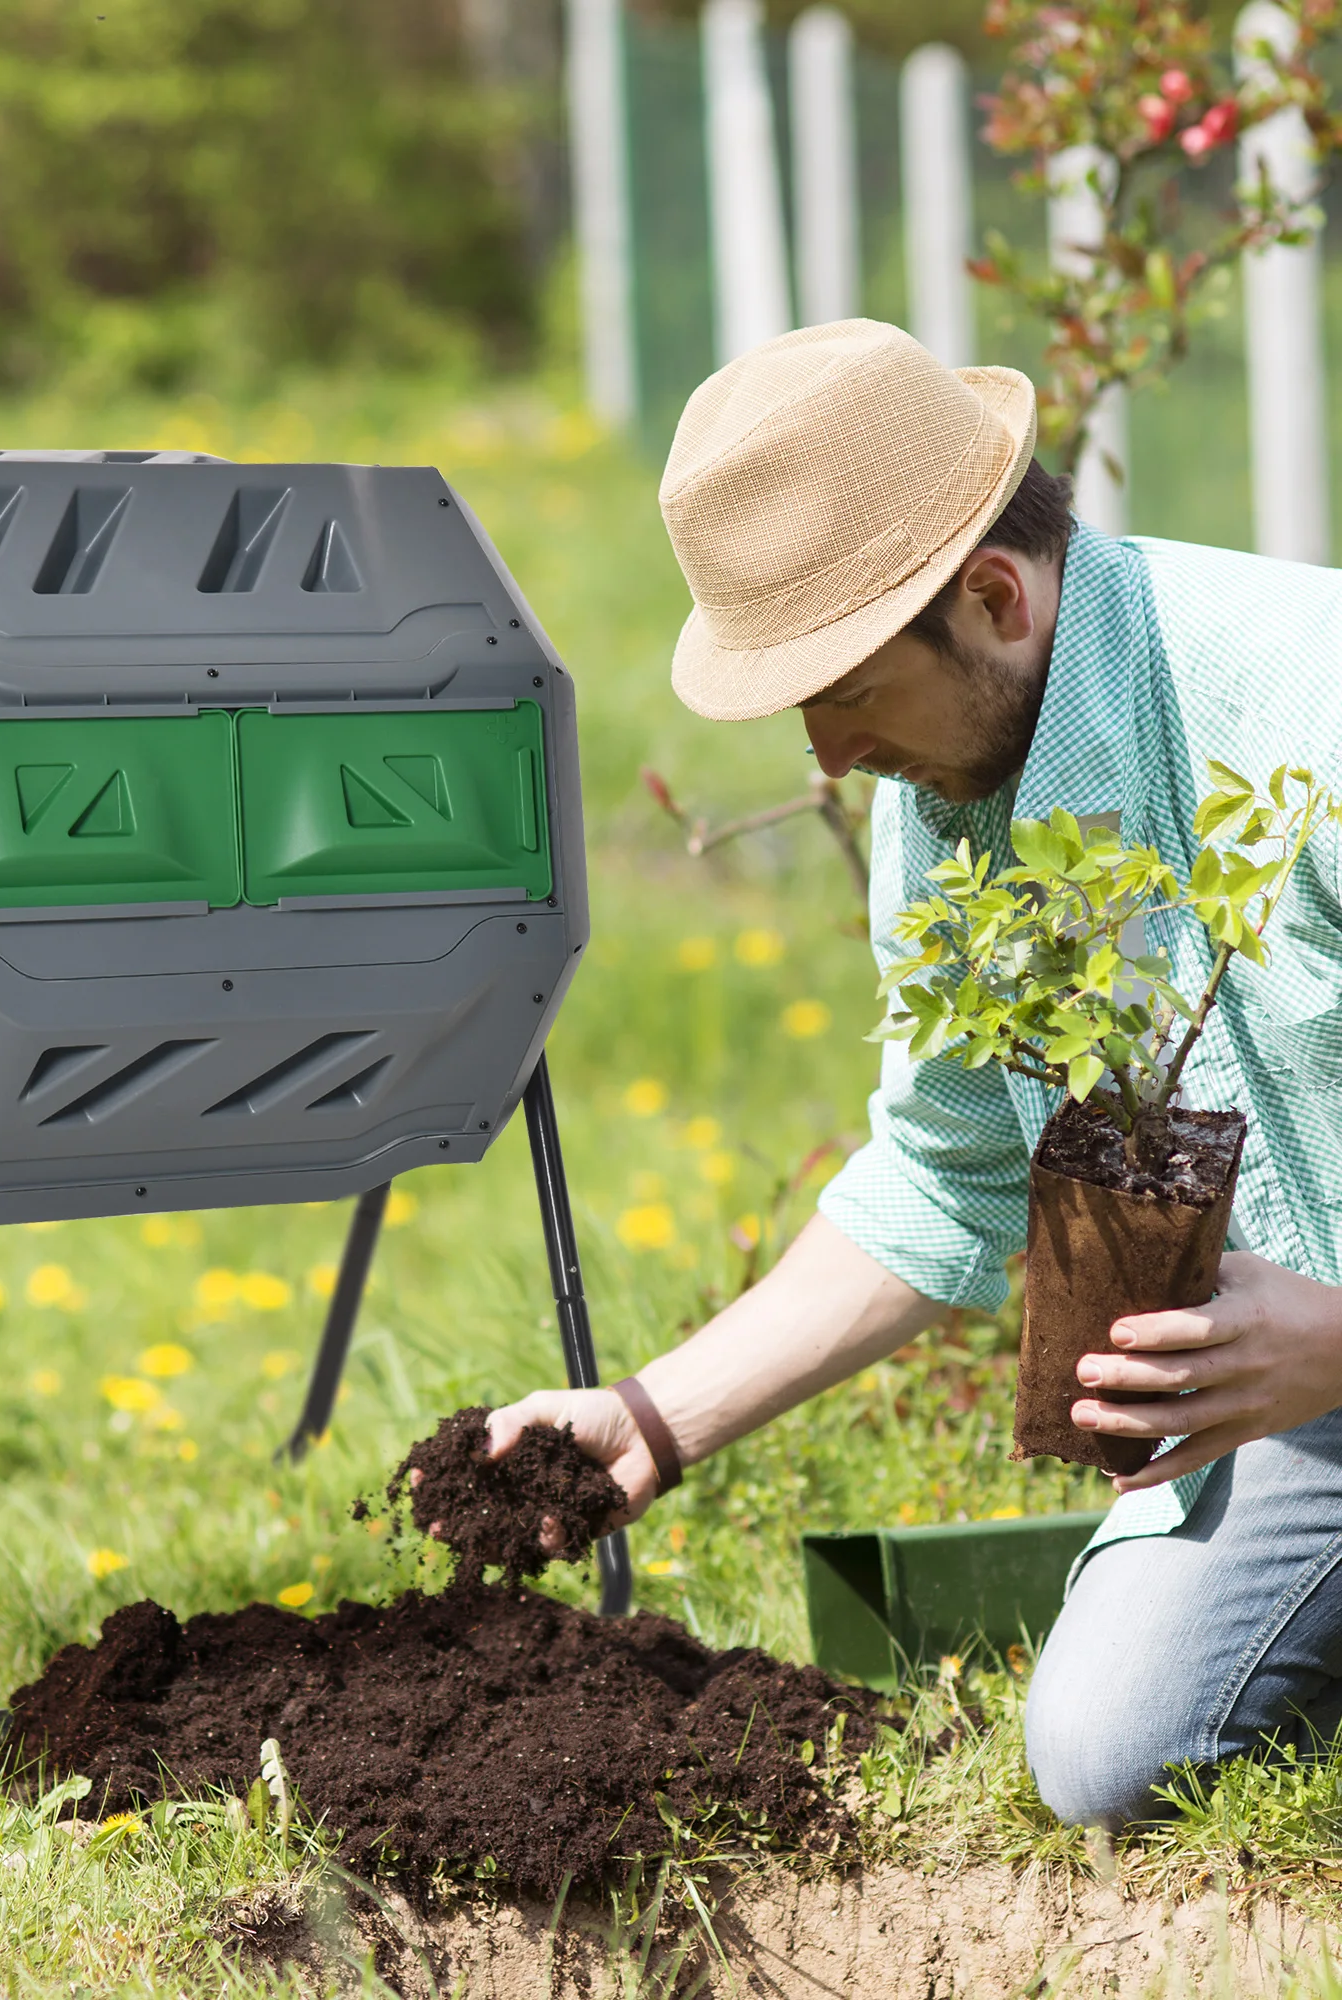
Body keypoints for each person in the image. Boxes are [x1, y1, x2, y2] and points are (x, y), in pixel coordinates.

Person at [488, 317, 1342, 1830]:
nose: (825, 753)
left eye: (846, 687)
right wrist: (654, 1416)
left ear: (995, 598)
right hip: (1298, 1400)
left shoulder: (1308, 715)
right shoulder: (953, 803)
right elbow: (946, 1175)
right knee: (1105, 1756)